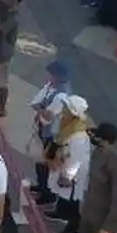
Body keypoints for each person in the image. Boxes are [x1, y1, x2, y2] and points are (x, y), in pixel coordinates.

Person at [40, 94, 91, 233]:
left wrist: (68, 176)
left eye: (67, 109)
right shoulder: (68, 125)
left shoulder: (78, 136)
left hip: (72, 172)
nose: (63, 111)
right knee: (63, 194)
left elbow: (76, 159)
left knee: (72, 198)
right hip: (63, 163)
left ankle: (74, 226)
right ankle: (61, 211)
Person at [77, 122, 117, 233]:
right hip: (88, 214)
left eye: (98, 137)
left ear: (106, 141)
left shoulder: (116, 165)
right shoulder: (98, 152)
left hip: (101, 220)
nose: (95, 139)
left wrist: (108, 229)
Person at [28, 60, 72, 195]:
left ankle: (47, 193)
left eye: (50, 74)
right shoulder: (49, 87)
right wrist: (42, 109)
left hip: (53, 135)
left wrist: (41, 110)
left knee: (49, 164)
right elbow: (35, 103)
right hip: (44, 131)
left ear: (58, 76)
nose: (47, 76)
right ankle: (41, 186)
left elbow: (49, 116)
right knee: (40, 161)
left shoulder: (61, 95)